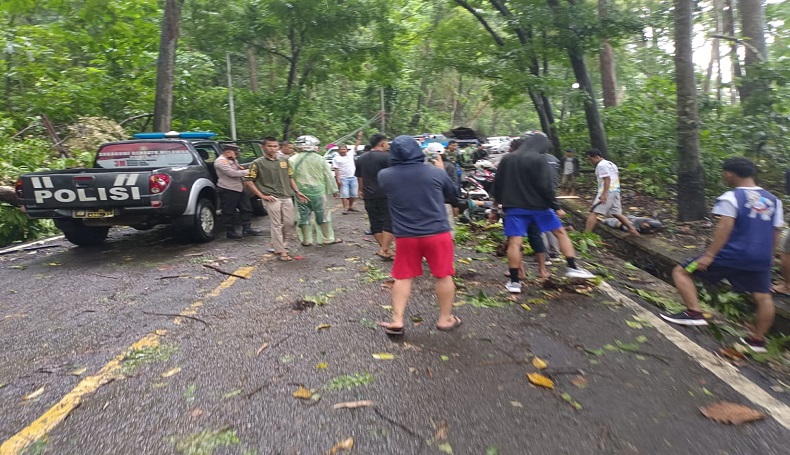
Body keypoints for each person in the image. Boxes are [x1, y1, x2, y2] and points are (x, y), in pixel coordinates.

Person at [660, 157, 782, 354]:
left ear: (730, 173)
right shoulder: (774, 200)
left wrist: (709, 255)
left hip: (733, 254)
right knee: (763, 296)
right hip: (761, 257)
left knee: (681, 271)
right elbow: (777, 231)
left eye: (725, 173)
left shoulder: (731, 197)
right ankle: (757, 341)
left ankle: (693, 312)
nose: (724, 176)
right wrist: (769, 257)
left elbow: (725, 227)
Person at [378, 135, 461, 335]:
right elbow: (453, 193)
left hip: (406, 235)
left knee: (403, 277)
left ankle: (397, 320)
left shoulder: (385, 175)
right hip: (437, 233)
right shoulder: (435, 172)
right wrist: (442, 171)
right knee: (443, 275)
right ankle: (445, 319)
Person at [493, 131, 595, 293]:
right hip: (539, 207)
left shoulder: (508, 158)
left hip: (514, 208)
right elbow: (545, 187)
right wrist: (556, 206)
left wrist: (495, 207)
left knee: (515, 243)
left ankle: (514, 282)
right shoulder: (540, 159)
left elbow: (497, 185)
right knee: (560, 233)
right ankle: (572, 267)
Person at [245, 137, 308, 261]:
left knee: (289, 222)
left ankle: (276, 244)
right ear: (263, 147)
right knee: (276, 224)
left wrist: (297, 191)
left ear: (278, 147)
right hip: (271, 197)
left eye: (275, 146)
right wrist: (262, 195)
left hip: (286, 195)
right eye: (269, 146)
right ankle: (281, 251)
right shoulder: (257, 163)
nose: (272, 148)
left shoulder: (284, 161)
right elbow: (248, 181)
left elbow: (290, 177)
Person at [289, 135, 343, 246]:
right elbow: (328, 175)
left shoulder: (292, 159)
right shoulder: (320, 159)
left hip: (301, 193)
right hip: (318, 192)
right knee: (323, 216)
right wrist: (334, 190)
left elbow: (290, 177)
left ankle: (306, 240)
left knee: (303, 217)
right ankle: (327, 238)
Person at [355, 133, 394, 260]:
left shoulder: (361, 158)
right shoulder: (387, 157)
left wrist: (360, 190)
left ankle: (384, 249)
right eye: (387, 143)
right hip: (385, 193)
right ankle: (385, 249)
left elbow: (360, 177)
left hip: (368, 194)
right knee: (389, 221)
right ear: (382, 144)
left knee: (375, 222)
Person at [584, 149, 640, 236]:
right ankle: (632, 230)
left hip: (607, 191)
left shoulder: (601, 165)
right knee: (616, 213)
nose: (590, 161)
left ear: (596, 157)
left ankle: (586, 235)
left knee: (593, 212)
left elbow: (607, 179)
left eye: (590, 159)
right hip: (615, 190)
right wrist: (617, 190)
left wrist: (604, 194)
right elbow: (617, 176)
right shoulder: (611, 164)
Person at [214, 143, 262, 239]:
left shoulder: (232, 159)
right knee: (229, 211)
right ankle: (230, 231)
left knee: (246, 208)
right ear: (227, 151)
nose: (237, 153)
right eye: (235, 151)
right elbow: (232, 173)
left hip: (239, 188)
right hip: (228, 189)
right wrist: (248, 171)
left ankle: (247, 229)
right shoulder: (221, 161)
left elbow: (238, 168)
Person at [332, 131, 363, 214]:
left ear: (346, 150)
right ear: (338, 151)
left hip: (353, 177)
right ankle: (345, 208)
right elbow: (336, 169)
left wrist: (359, 137)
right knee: (344, 194)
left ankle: (350, 206)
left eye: (344, 149)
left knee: (353, 194)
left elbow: (356, 145)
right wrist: (338, 179)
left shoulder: (350, 154)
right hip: (343, 178)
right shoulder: (336, 159)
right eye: (341, 149)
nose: (343, 151)